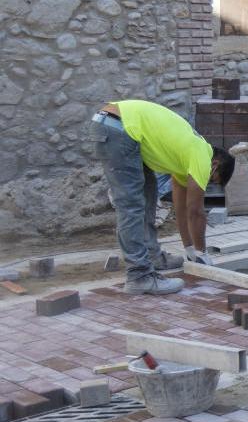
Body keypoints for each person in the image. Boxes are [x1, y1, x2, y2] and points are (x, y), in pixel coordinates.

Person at [92, 100, 235, 294]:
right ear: (215, 165)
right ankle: (139, 276)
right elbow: (196, 212)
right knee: (132, 206)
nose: (206, 184)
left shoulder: (185, 157)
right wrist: (202, 253)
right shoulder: (202, 155)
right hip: (121, 129)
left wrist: (190, 250)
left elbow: (181, 208)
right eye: (212, 180)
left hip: (122, 129)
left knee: (148, 198)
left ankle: (152, 257)